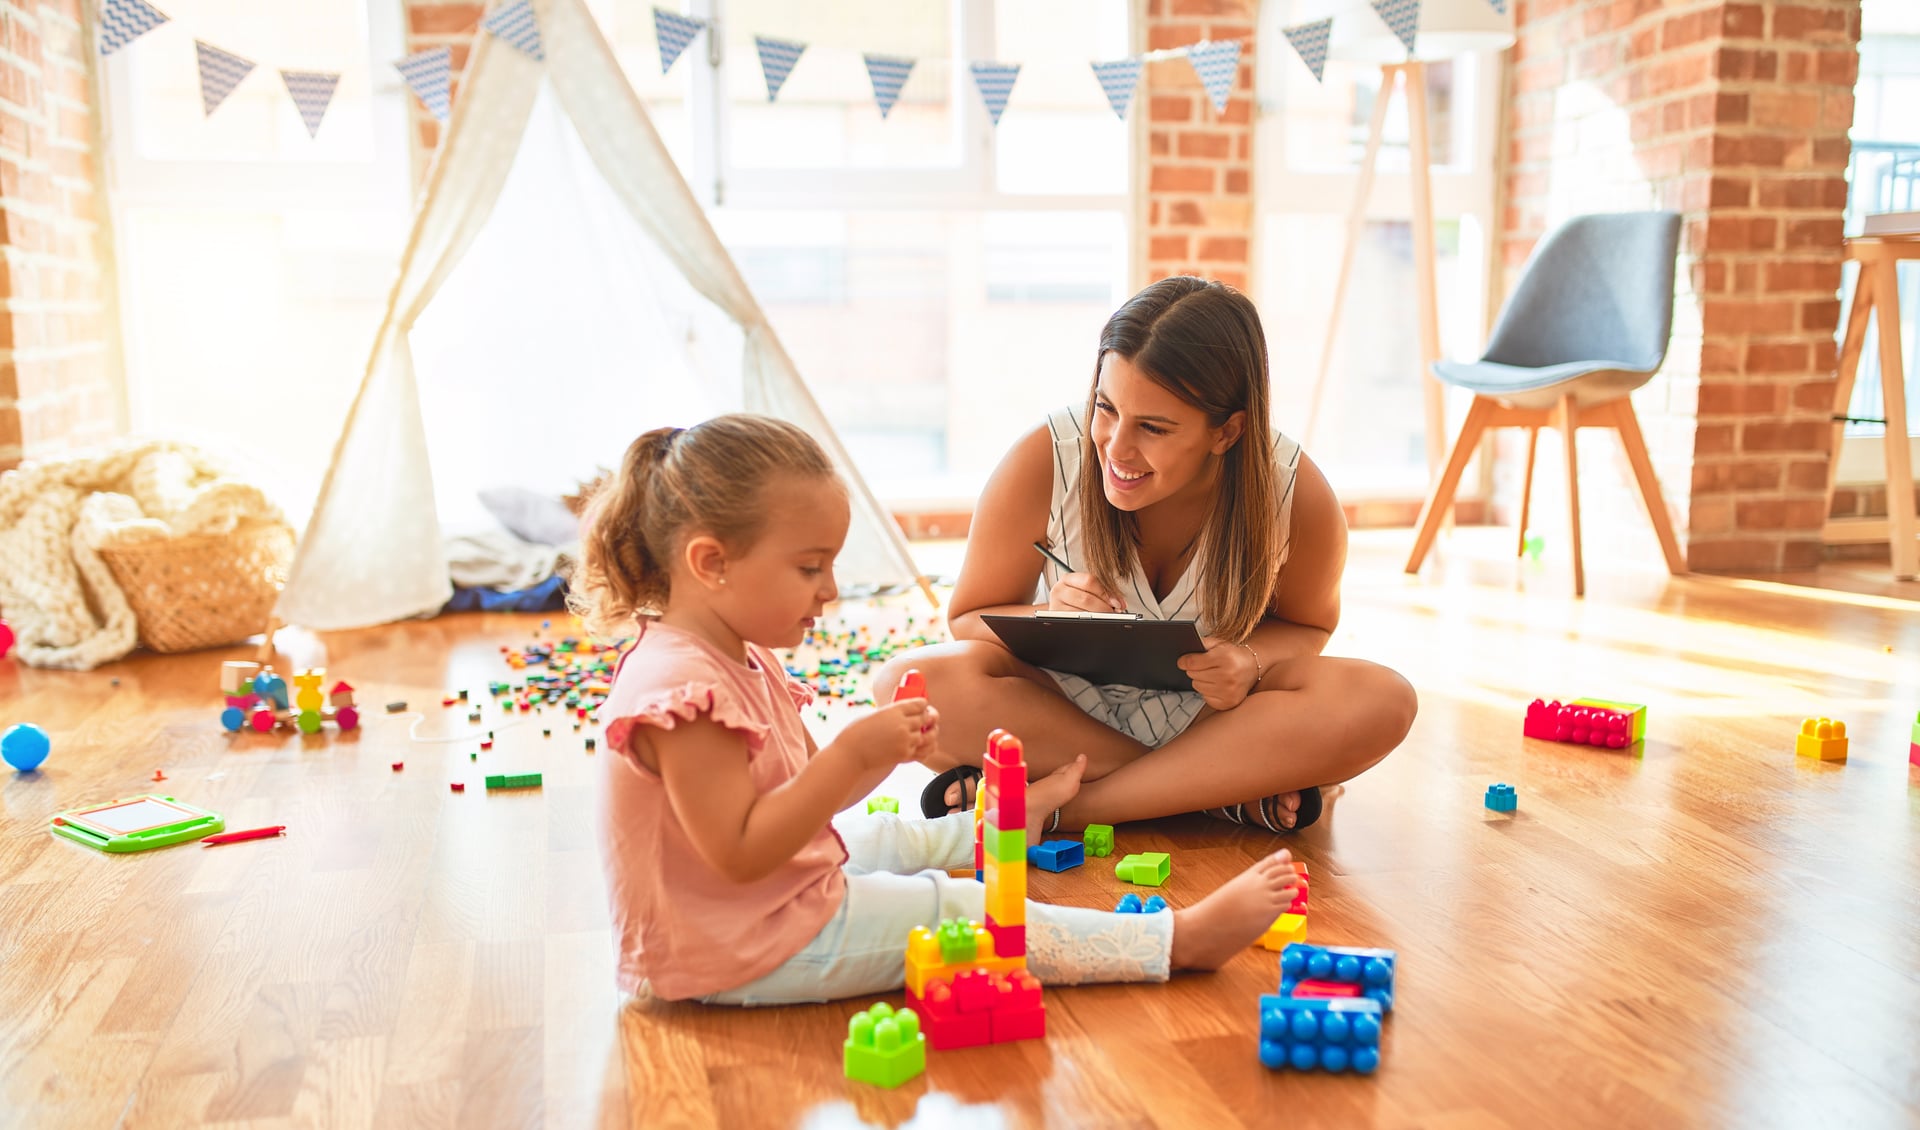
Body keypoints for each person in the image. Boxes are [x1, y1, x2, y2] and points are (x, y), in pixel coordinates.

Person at [576, 413, 1305, 1004]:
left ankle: (995, 832)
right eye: (809, 567)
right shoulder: (683, 696)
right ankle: (1175, 943)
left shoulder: (735, 655)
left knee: (873, 838)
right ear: (711, 563)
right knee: (955, 914)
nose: (831, 590)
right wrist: (855, 753)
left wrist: (877, 754)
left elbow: (803, 802)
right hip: (729, 951)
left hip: (739, 915)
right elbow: (741, 853)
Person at [874, 277, 1417, 834]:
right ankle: (1218, 792)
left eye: (1153, 428)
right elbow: (969, 617)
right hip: (1061, 710)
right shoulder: (1048, 456)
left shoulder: (1295, 494)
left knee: (1384, 700)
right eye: (1106, 408)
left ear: (1227, 431)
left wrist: (1249, 661)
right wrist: (1051, 617)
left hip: (1216, 717)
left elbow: (1309, 626)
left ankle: (1065, 805)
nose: (1116, 447)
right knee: (906, 683)